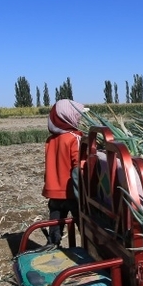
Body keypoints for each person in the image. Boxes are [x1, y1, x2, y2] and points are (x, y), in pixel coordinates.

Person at [42, 99, 90, 244]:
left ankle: (52, 246)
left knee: (55, 226)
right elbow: (78, 167)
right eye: (78, 117)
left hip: (54, 194)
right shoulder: (75, 138)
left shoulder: (50, 140)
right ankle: (91, 251)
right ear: (69, 118)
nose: (80, 119)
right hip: (71, 194)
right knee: (84, 227)